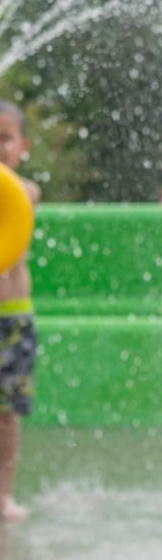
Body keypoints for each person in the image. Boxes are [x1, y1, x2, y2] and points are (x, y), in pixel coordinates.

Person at [0, 100, 40, 522]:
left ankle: (3, 494)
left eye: (5, 139)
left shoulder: (25, 191)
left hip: (12, 318)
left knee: (7, 415)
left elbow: (24, 197)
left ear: (23, 145)